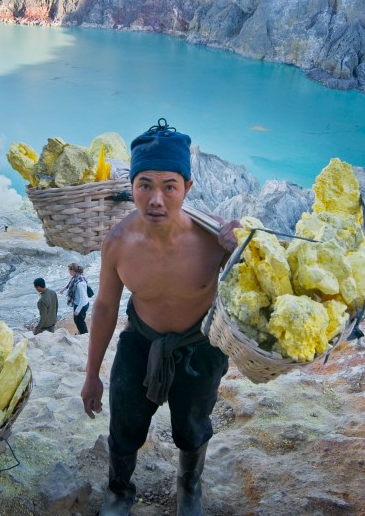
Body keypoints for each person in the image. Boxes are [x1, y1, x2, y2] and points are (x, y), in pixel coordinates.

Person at [79, 120, 240, 516]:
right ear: (131, 186)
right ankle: (119, 491)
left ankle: (190, 487)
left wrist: (246, 244)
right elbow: (104, 307)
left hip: (200, 346)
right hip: (141, 341)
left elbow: (258, 286)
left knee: (193, 427)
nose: (156, 199)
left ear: (187, 188)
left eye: (169, 186)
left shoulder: (213, 239)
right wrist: (91, 373)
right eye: (144, 184)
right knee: (125, 426)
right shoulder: (118, 242)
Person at [64, 263, 91, 335]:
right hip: (83, 303)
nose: (68, 272)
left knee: (79, 321)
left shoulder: (79, 283)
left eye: (69, 270)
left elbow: (83, 297)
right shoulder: (77, 277)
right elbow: (68, 285)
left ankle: (84, 335)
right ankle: (80, 333)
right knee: (81, 319)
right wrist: (61, 290)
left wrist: (77, 310)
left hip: (81, 304)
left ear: (72, 270)